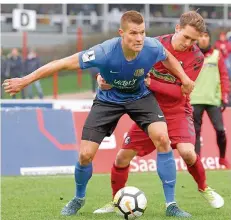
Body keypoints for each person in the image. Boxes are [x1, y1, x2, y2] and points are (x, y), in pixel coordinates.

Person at [2, 10, 194, 217]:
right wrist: (25, 80)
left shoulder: (151, 46)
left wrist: (184, 78)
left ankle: (171, 204)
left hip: (139, 97)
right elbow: (62, 63)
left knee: (163, 139)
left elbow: (168, 58)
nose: (139, 38)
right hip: (108, 100)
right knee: (85, 155)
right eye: (133, 33)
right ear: (122, 33)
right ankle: (78, 198)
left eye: (142, 32)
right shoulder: (104, 52)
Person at [93, 12, 224, 217]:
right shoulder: (153, 45)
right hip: (149, 110)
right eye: (186, 37)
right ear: (177, 29)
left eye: (193, 40)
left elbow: (179, 92)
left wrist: (150, 82)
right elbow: (121, 60)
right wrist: (103, 77)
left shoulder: (197, 57)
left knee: (188, 152)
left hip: (177, 111)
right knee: (121, 158)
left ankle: (202, 188)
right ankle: (115, 200)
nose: (188, 43)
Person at [191, 28, 230, 168]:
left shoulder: (217, 55)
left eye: (206, 36)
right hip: (194, 100)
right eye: (200, 36)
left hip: (213, 100)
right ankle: (198, 162)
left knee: (220, 130)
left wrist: (224, 96)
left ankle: (222, 158)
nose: (203, 39)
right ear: (196, 39)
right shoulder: (191, 56)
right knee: (195, 132)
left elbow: (224, 76)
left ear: (209, 38)